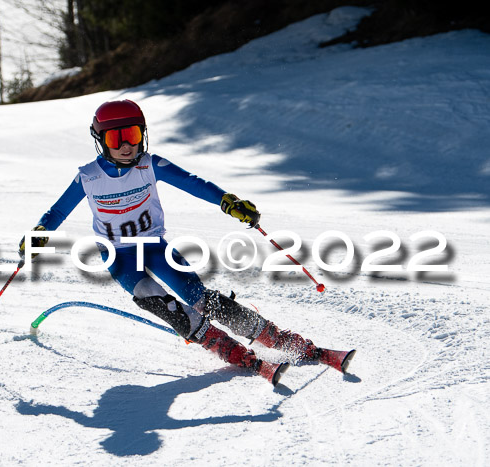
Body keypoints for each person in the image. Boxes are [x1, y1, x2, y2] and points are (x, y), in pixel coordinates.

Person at [19, 99, 354, 386]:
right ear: (101, 140)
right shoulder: (88, 177)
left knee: (202, 299)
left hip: (154, 245)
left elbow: (194, 183)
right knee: (156, 299)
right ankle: (227, 348)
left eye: (133, 135)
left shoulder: (151, 165)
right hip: (120, 256)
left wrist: (228, 201)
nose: (126, 145)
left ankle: (280, 340)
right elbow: (58, 210)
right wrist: (39, 232)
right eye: (116, 137)